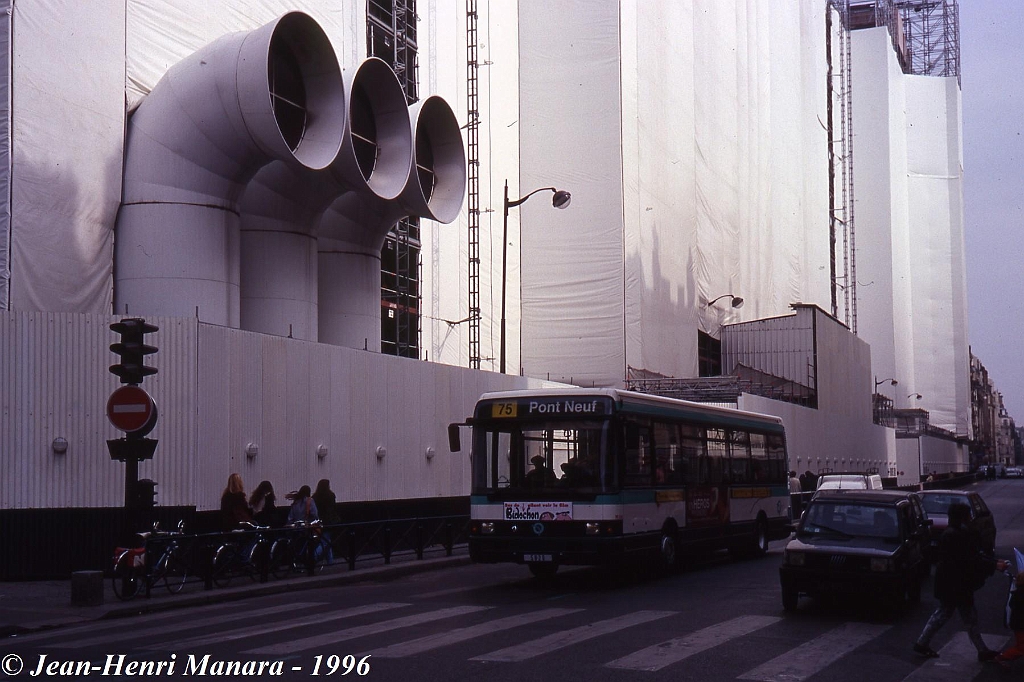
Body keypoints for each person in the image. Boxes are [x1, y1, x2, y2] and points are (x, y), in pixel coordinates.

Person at [913, 503, 1008, 661]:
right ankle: (981, 650)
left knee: (951, 614)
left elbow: (971, 556)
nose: (970, 517)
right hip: (957, 584)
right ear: (962, 517)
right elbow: (968, 559)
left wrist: (994, 562)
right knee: (961, 615)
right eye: (967, 515)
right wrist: (994, 565)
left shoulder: (954, 533)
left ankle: (923, 643)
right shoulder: (955, 535)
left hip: (953, 583)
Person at [995, 569, 1024, 669]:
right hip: (1021, 625)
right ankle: (1002, 657)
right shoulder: (1020, 595)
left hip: (1018, 624)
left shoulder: (1017, 593)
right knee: (1021, 647)